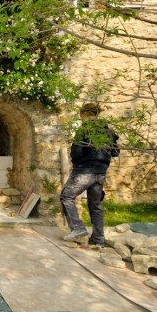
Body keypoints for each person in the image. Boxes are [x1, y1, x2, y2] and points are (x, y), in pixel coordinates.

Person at [61, 103, 120, 247]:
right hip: (101, 172)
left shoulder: (85, 129)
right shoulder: (109, 131)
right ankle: (98, 240)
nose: (80, 118)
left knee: (66, 196)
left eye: (81, 115)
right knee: (96, 204)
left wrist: (77, 164)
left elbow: (77, 152)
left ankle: (78, 229)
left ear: (86, 113)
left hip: (84, 170)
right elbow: (115, 152)